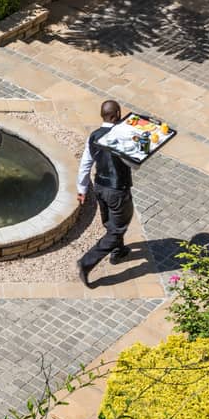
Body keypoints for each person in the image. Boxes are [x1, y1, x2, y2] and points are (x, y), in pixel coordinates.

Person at [76, 100, 134, 288]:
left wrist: (82, 189)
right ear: (116, 114)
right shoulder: (123, 137)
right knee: (117, 229)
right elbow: (135, 164)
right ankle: (86, 262)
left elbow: (85, 164)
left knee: (110, 222)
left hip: (100, 187)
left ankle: (118, 252)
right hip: (118, 190)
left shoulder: (94, 136)